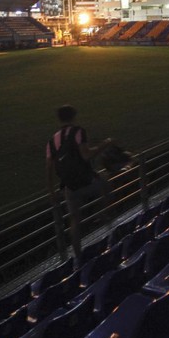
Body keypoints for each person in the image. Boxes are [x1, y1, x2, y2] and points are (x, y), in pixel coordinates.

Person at [46, 104, 114, 261]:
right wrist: (106, 143)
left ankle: (78, 257)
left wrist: (51, 193)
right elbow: (86, 155)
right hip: (87, 182)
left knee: (74, 221)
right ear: (74, 117)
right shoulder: (78, 132)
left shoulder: (52, 141)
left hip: (69, 187)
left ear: (59, 119)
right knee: (106, 184)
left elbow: (48, 169)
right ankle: (103, 214)